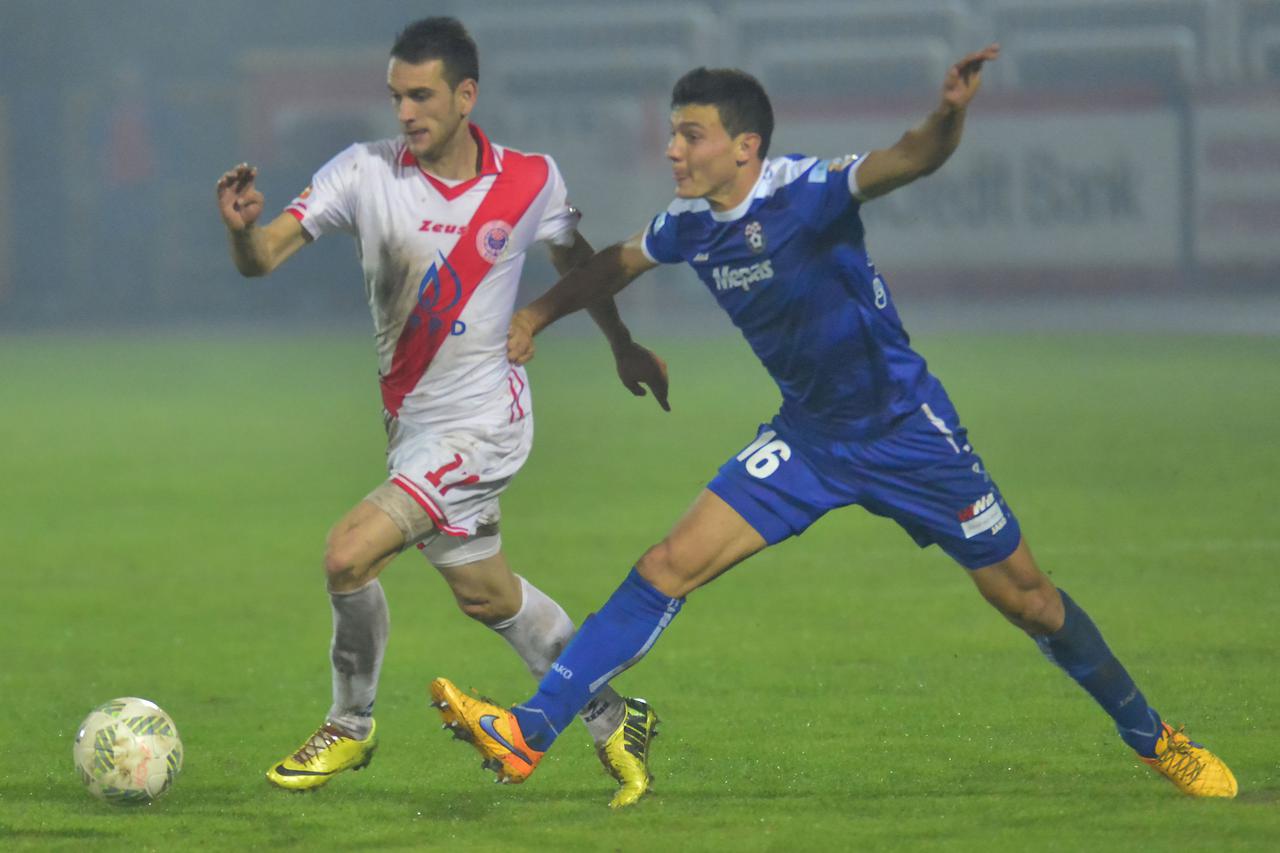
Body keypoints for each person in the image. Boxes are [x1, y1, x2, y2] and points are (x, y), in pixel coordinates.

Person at [429, 45, 1238, 799]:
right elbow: (615, 262)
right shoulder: (688, 225)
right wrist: (539, 315)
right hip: (810, 439)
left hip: (908, 433)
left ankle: (1154, 735)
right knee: (669, 562)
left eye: (690, 134)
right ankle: (529, 731)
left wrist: (950, 113)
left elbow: (910, 158)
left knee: (1030, 601)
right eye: (673, 133)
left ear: (743, 146)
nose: (672, 149)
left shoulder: (806, 193)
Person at [215, 16, 670, 808]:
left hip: (486, 426)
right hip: (415, 431)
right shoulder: (363, 172)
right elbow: (262, 261)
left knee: (348, 554)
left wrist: (620, 345)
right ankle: (611, 717)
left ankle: (349, 725)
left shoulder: (530, 180)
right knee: (488, 596)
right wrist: (243, 231)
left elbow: (584, 269)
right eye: (396, 96)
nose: (406, 113)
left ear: (466, 95)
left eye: (421, 95)